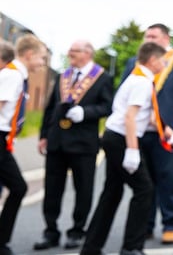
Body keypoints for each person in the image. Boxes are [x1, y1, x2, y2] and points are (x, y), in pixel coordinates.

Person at [81, 42, 173, 255]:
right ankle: (131, 247)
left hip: (116, 138)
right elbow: (130, 118)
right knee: (144, 190)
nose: (164, 63)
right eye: (162, 60)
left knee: (112, 193)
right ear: (152, 60)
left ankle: (91, 247)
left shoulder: (141, 78)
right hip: (122, 139)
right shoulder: (141, 81)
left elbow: (149, 117)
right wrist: (132, 151)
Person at [122, 23, 173, 244]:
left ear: (166, 39)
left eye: (153, 36)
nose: (149, 39)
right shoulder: (134, 63)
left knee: (169, 179)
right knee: (145, 182)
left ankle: (171, 224)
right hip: (140, 132)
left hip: (169, 132)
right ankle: (145, 226)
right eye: (146, 36)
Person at [34, 40, 114, 251]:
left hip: (83, 144)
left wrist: (85, 113)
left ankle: (77, 231)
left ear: (88, 53)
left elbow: (107, 106)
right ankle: (50, 231)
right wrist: (44, 135)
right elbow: (50, 108)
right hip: (57, 141)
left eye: (75, 51)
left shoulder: (102, 78)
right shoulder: (63, 76)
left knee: (83, 189)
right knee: (52, 189)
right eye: (69, 51)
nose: (70, 54)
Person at [0, 33, 46, 255]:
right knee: (18, 187)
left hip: (4, 139)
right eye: (41, 58)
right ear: (29, 55)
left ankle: (2, 241)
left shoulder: (18, 75)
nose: (43, 64)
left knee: (18, 187)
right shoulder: (13, 75)